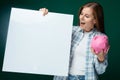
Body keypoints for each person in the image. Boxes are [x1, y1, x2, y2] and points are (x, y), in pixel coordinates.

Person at [40, 2, 110, 80]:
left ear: (95, 20)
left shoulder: (101, 38)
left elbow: (100, 71)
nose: (81, 18)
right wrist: (45, 16)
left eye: (86, 16)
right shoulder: (71, 30)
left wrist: (101, 58)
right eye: (81, 14)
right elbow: (50, 31)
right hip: (64, 78)